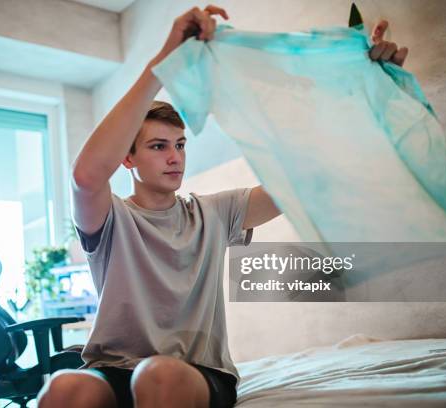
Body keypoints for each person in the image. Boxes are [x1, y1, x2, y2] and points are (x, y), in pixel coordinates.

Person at [38, 5, 408, 408]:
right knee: (65, 387)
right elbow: (86, 176)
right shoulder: (110, 220)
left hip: (194, 372)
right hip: (113, 369)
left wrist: (363, 99)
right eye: (158, 147)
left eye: (180, 145)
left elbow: (300, 179)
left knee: (156, 373)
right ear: (127, 159)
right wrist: (163, 64)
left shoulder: (211, 214)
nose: (174, 157)